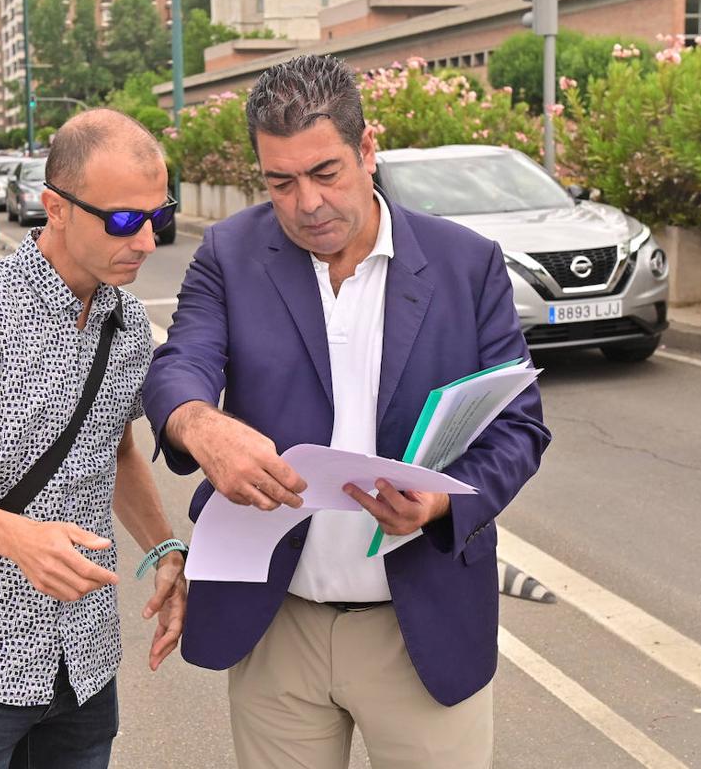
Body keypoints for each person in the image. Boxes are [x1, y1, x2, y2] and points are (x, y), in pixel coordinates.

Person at [142, 54, 551, 769]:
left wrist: (440, 506)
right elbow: (180, 364)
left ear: (367, 148)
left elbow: (519, 425)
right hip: (277, 626)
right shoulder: (229, 255)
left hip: (420, 628)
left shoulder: (468, 265)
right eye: (280, 182)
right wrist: (198, 423)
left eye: (325, 172)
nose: (306, 203)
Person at [0, 108, 187, 768]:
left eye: (157, 216)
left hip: (83, 666)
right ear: (55, 207)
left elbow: (118, 452)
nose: (144, 241)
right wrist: (19, 538)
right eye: (120, 220)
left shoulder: (130, 325)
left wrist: (166, 550)